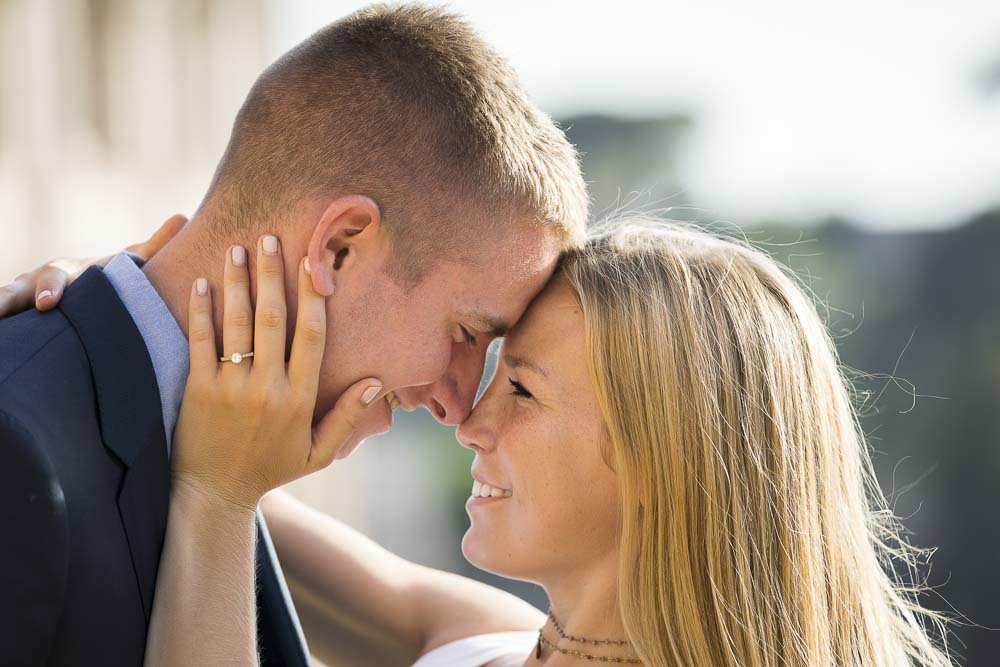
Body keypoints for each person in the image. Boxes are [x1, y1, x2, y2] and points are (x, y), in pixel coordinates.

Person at [3, 218, 954, 667]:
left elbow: (223, 503)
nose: (471, 417)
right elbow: (266, 527)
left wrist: (214, 499)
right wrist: (134, 324)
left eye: (525, 389)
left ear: (666, 460)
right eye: (491, 371)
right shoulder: (492, 639)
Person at [0, 3, 588, 665]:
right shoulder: (16, 443)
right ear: (339, 248)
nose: (458, 403)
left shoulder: (223, 463)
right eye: (465, 331)